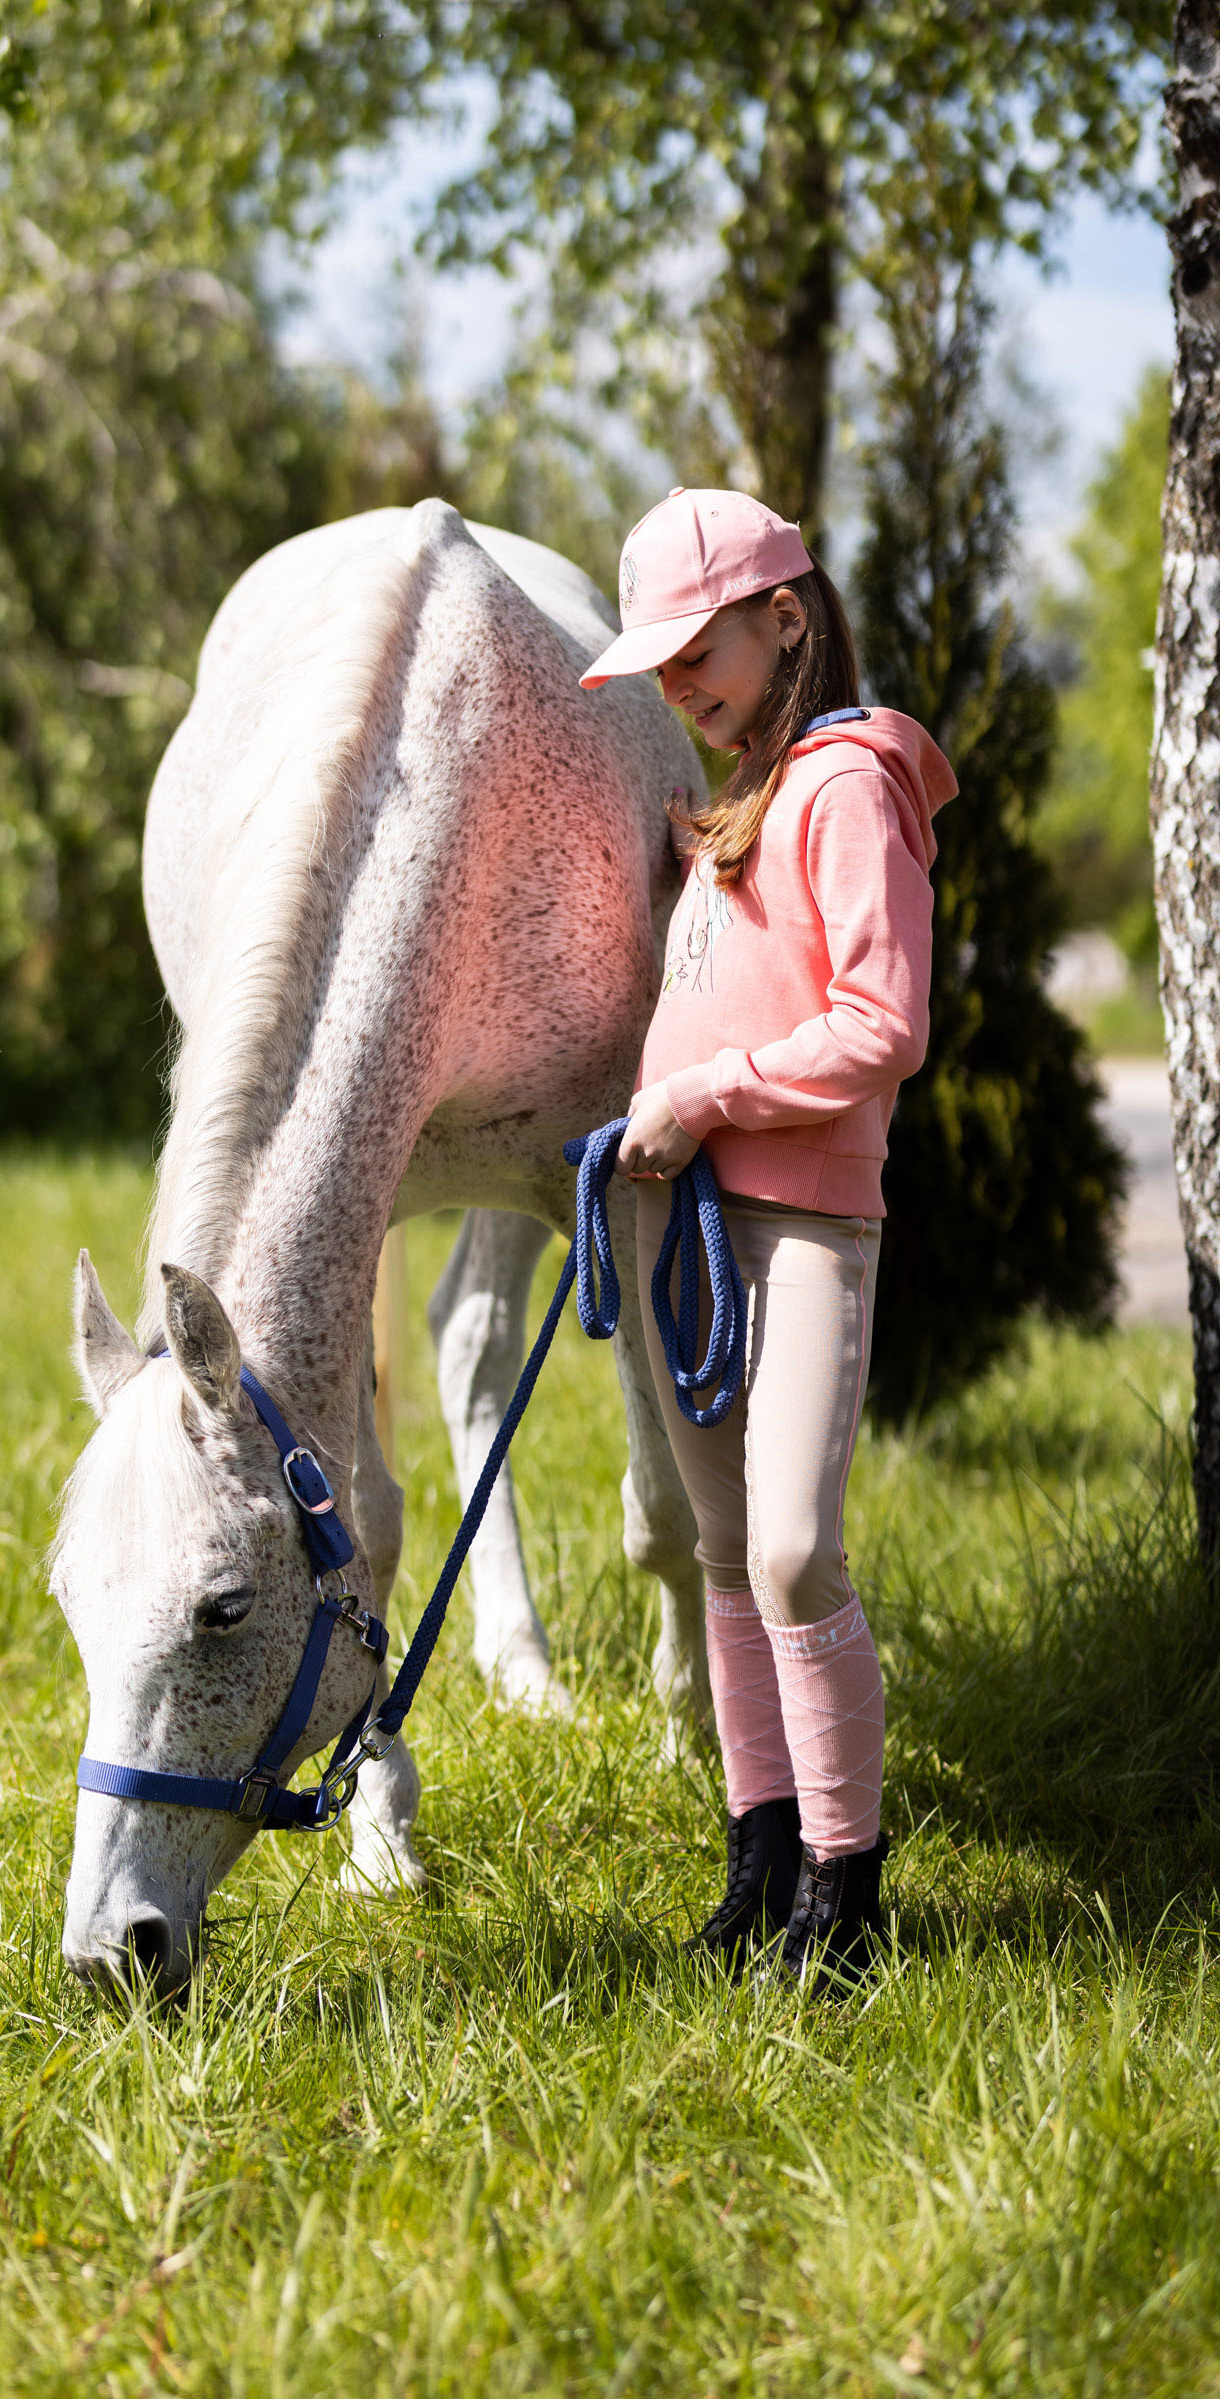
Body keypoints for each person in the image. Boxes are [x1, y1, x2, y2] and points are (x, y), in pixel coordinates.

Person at [580, 488, 957, 1985]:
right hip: (681, 1215)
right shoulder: (743, 800)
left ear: (786, 615)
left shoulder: (848, 787)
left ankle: (847, 1892)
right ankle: (762, 1855)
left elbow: (881, 1025)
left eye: (700, 652)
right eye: (662, 667)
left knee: (797, 1546)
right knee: (730, 1550)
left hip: (798, 1221)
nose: (682, 688)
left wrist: (703, 1093)